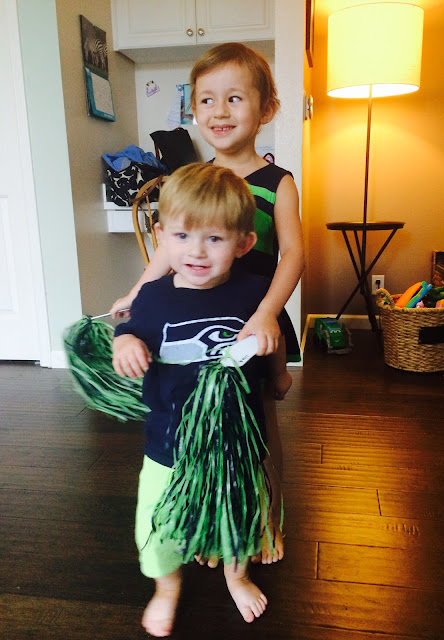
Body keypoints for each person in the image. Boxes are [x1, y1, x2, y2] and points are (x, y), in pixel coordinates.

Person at [110, 42, 305, 563]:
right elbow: (167, 252)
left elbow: (293, 255)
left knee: (258, 425)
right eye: (207, 100)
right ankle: (208, 519)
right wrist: (136, 292)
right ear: (193, 110)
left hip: (250, 318)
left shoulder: (277, 182)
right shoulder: (191, 182)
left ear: (266, 108)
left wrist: (266, 313)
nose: (219, 111)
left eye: (235, 98)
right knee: (197, 424)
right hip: (196, 317)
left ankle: (263, 520)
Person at [112, 163, 286, 637]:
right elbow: (128, 330)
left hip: (235, 443)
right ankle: (166, 588)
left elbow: (272, 336)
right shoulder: (152, 298)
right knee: (155, 524)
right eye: (183, 236)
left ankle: (237, 576)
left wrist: (279, 373)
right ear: (162, 237)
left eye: (214, 238)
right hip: (168, 443)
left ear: (243, 244)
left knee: (239, 518)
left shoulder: (255, 293)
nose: (197, 251)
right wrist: (125, 343)